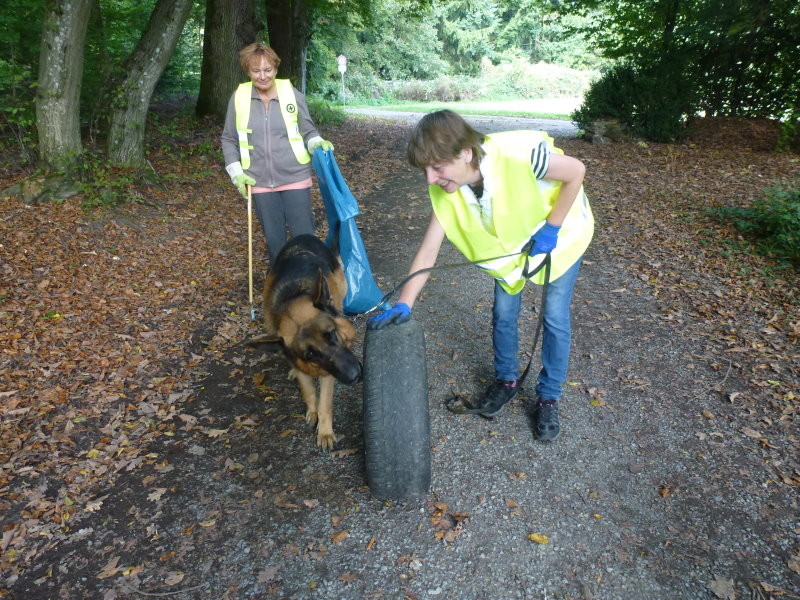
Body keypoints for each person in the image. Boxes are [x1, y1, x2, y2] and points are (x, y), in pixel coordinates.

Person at [367, 110, 594, 441]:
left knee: (555, 317)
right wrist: (404, 303)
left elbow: (577, 171)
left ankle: (548, 397)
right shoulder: (448, 188)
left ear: (466, 154)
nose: (430, 179)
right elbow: (428, 251)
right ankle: (506, 381)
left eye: (437, 167)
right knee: (504, 312)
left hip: (561, 237)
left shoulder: (520, 156)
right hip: (516, 250)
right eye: (426, 170)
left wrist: (553, 227)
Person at [221, 42, 334, 265]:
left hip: (295, 177)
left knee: (305, 241)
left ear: (275, 68)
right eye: (256, 71)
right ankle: (283, 294)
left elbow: (308, 131)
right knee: (276, 244)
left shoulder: (291, 94)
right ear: (247, 71)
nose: (263, 76)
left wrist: (318, 143)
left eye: (268, 70)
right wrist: (237, 173)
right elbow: (228, 138)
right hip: (259, 181)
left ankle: (311, 290)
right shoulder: (240, 97)